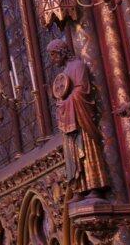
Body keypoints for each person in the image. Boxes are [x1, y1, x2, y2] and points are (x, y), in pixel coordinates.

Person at [47, 38, 109, 197]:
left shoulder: (78, 66)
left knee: (86, 150)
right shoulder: (65, 71)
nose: (53, 60)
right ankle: (80, 188)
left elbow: (82, 91)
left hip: (80, 119)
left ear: (61, 52)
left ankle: (94, 186)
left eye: (53, 55)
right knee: (72, 154)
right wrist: (61, 103)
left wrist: (65, 103)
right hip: (69, 120)